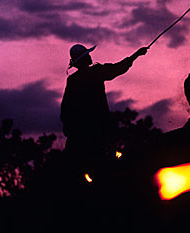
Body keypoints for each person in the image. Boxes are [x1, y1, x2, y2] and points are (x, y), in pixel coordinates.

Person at [60, 43, 148, 179]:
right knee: (102, 170)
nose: (89, 56)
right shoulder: (96, 72)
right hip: (98, 133)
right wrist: (136, 55)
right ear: (83, 60)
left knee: (74, 172)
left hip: (79, 136)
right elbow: (118, 68)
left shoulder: (72, 81)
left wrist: (70, 130)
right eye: (87, 55)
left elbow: (65, 109)